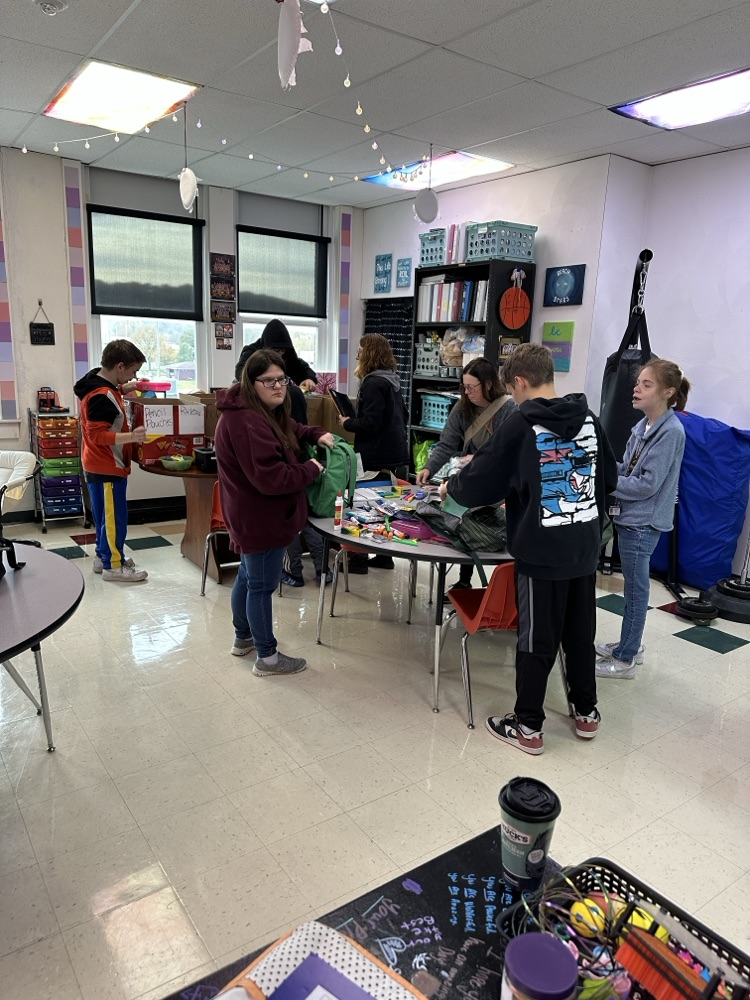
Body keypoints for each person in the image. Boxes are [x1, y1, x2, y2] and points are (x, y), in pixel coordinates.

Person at [442, 343, 617, 755]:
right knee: (579, 633)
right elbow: (606, 477)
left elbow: (481, 481)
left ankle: (528, 727)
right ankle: (586, 713)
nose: (514, 399)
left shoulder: (521, 425)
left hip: (541, 552)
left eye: (513, 391)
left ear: (519, 382)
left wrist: (456, 485)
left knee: (536, 640)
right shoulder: (590, 419)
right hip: (584, 545)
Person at [214, 348, 334, 676]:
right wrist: (310, 468)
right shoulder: (246, 421)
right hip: (261, 517)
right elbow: (272, 478)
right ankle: (267, 658)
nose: (278, 387)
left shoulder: (256, 411)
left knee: (248, 577)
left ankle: (244, 639)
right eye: (269, 381)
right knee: (262, 586)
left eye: (282, 379)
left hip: (249, 514)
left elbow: (290, 429)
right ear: (251, 383)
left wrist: (315, 432)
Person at [595, 359, 690, 679]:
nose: (636, 388)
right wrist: (606, 468)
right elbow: (628, 468)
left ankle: (625, 659)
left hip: (642, 522)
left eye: (646, 385)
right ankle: (630, 645)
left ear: (668, 392)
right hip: (631, 517)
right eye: (638, 382)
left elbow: (647, 484)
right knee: (634, 590)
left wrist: (608, 482)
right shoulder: (644, 425)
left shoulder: (671, 432)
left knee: (636, 592)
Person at [415, 358, 515, 593]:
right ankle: (464, 579)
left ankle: (504, 586)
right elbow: (447, 443)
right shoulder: (462, 407)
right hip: (472, 478)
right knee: (466, 522)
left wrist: (478, 459)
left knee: (495, 527)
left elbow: (509, 450)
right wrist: (429, 468)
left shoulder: (509, 409)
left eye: (472, 387)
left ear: (489, 384)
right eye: (464, 387)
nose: (467, 392)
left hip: (500, 480)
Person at [74, 339, 148, 583]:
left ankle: (102, 556)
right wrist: (132, 436)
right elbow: (97, 434)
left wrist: (127, 387)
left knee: (105, 517)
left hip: (96, 464)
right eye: (132, 371)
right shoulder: (102, 395)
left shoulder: (96, 381)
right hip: (107, 466)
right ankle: (113, 566)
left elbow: (109, 397)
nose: (132, 375)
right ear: (119, 366)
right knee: (115, 519)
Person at [337, 333, 409, 572]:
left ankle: (358, 560)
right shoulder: (392, 380)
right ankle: (384, 555)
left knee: (362, 505)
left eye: (360, 350)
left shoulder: (372, 383)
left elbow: (371, 424)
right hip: (395, 452)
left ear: (368, 354)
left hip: (375, 454)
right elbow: (404, 416)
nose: (357, 354)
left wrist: (347, 423)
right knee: (385, 505)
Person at [235, 319, 317, 393]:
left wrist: (309, 379)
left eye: (283, 350)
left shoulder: (287, 354)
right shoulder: (251, 352)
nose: (280, 354)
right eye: (276, 350)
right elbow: (240, 372)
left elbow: (303, 368)